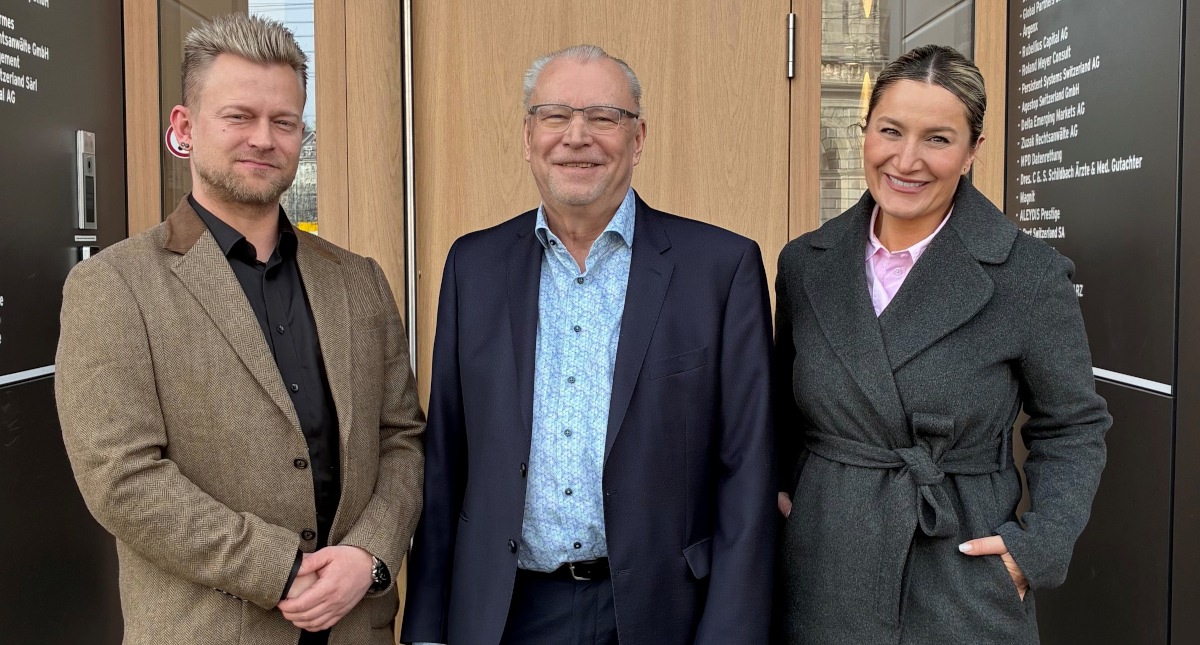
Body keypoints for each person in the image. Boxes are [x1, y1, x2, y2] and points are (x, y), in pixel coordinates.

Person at [56, 13, 425, 645]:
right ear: (184, 127)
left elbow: (402, 439)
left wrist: (369, 554)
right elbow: (122, 479)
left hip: (354, 627)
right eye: (239, 116)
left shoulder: (358, 280)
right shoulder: (113, 286)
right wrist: (279, 570)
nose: (264, 138)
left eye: (284, 121)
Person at [401, 44, 776, 645]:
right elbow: (445, 463)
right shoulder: (473, 266)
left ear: (638, 138)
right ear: (528, 137)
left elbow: (747, 476)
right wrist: (425, 630)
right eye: (554, 115)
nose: (577, 137)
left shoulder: (720, 268)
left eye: (604, 117)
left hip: (663, 614)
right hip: (504, 614)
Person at [773, 44, 1110, 644]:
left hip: (959, 574)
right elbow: (781, 404)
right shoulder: (806, 264)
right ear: (865, 132)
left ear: (973, 150)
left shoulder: (1028, 275)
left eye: (938, 138)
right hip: (823, 565)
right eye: (890, 131)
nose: (907, 160)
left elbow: (1073, 425)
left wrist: (1036, 547)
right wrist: (777, 494)